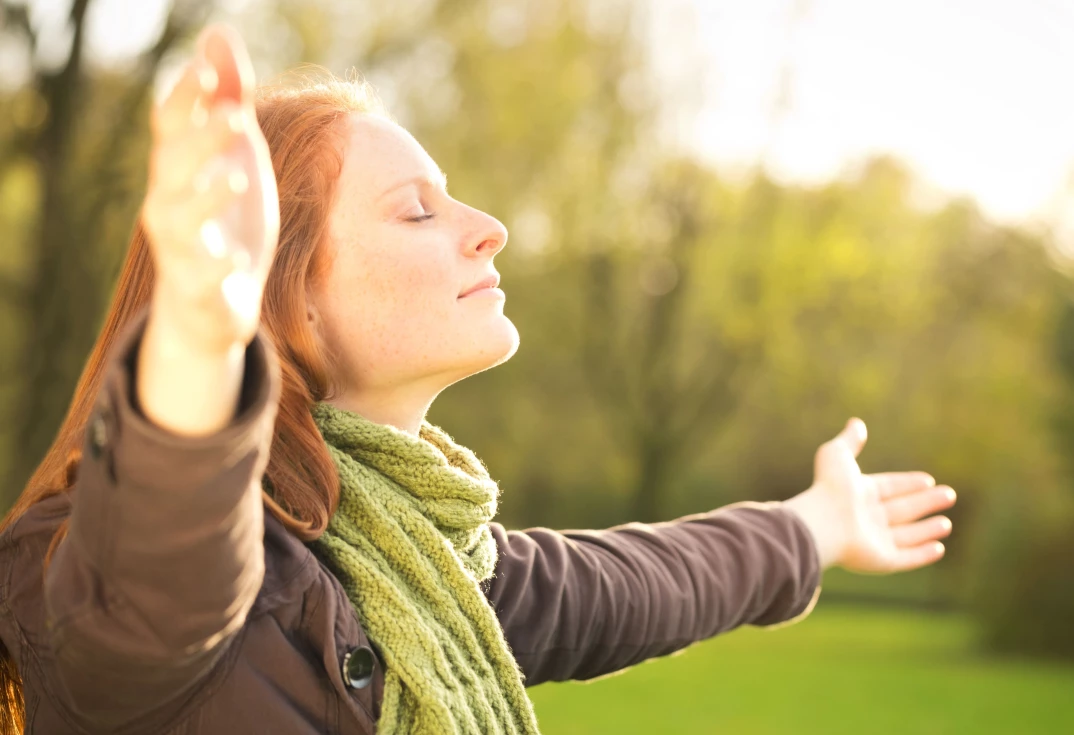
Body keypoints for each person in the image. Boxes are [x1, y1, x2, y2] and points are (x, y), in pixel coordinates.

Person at [0, 24, 956, 735]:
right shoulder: (118, 573)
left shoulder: (421, 565)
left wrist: (819, 523)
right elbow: (172, 533)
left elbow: (640, 583)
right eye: (417, 212)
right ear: (288, 299)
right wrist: (203, 332)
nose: (487, 225)